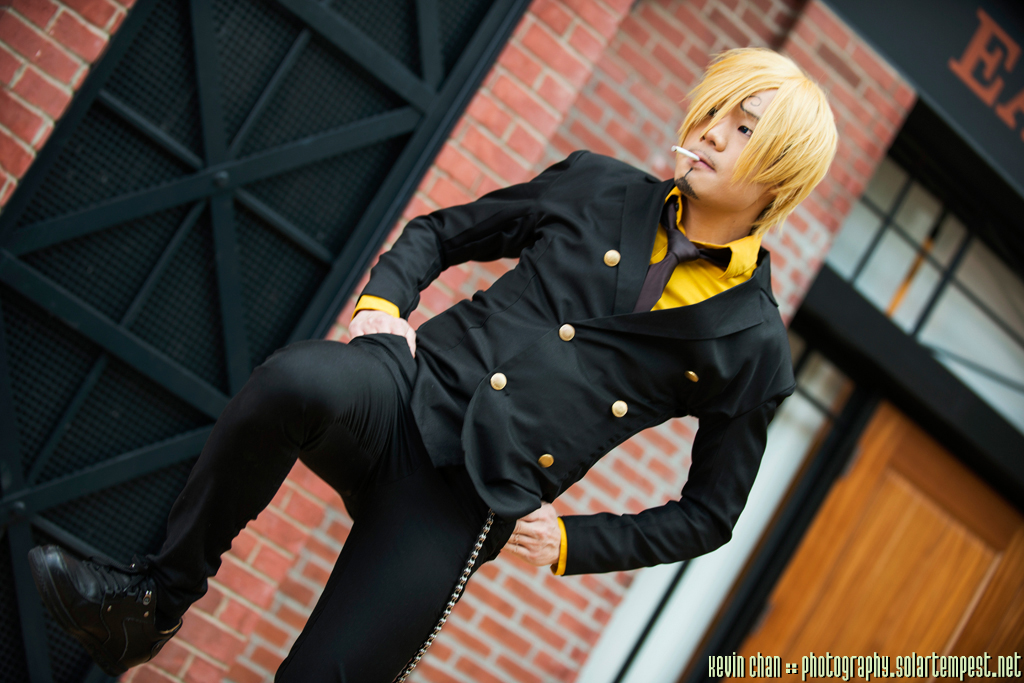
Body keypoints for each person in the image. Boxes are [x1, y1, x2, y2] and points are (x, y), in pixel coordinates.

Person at [27, 47, 837, 682]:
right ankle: (151, 602)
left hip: (469, 503)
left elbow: (710, 513)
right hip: (406, 392)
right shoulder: (598, 186)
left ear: (782, 174)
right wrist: (385, 304)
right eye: (715, 112)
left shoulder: (751, 342)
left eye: (742, 128)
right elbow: (443, 233)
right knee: (295, 379)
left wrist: (570, 541)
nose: (710, 132)